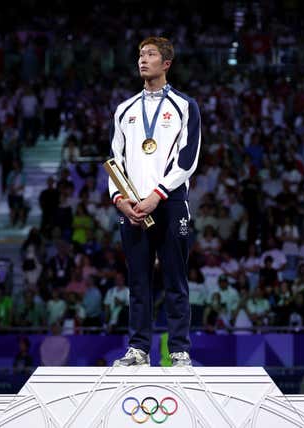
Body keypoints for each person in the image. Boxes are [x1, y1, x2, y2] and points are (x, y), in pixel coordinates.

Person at [108, 36, 201, 367]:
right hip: (133, 208)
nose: (142, 60)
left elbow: (188, 159)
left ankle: (178, 350)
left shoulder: (185, 105)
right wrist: (120, 199)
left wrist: (157, 195)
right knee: (138, 281)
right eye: (140, 55)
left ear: (167, 63)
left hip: (170, 201)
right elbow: (114, 161)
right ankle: (138, 348)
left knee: (175, 279)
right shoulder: (124, 110)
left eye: (150, 55)